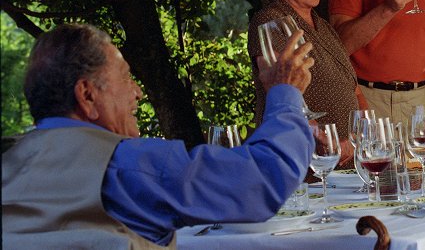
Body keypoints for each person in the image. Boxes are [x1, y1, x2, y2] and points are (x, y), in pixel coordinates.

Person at [2, 23, 314, 249]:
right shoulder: (127, 165)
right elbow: (262, 180)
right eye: (125, 77)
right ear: (87, 95)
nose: (137, 92)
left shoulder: (10, 164)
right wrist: (284, 92)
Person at [248, 0, 364, 167]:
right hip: (303, 158)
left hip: (345, 159)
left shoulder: (322, 25)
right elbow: (280, 91)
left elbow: (355, 90)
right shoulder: (270, 23)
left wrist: (365, 135)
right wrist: (325, 139)